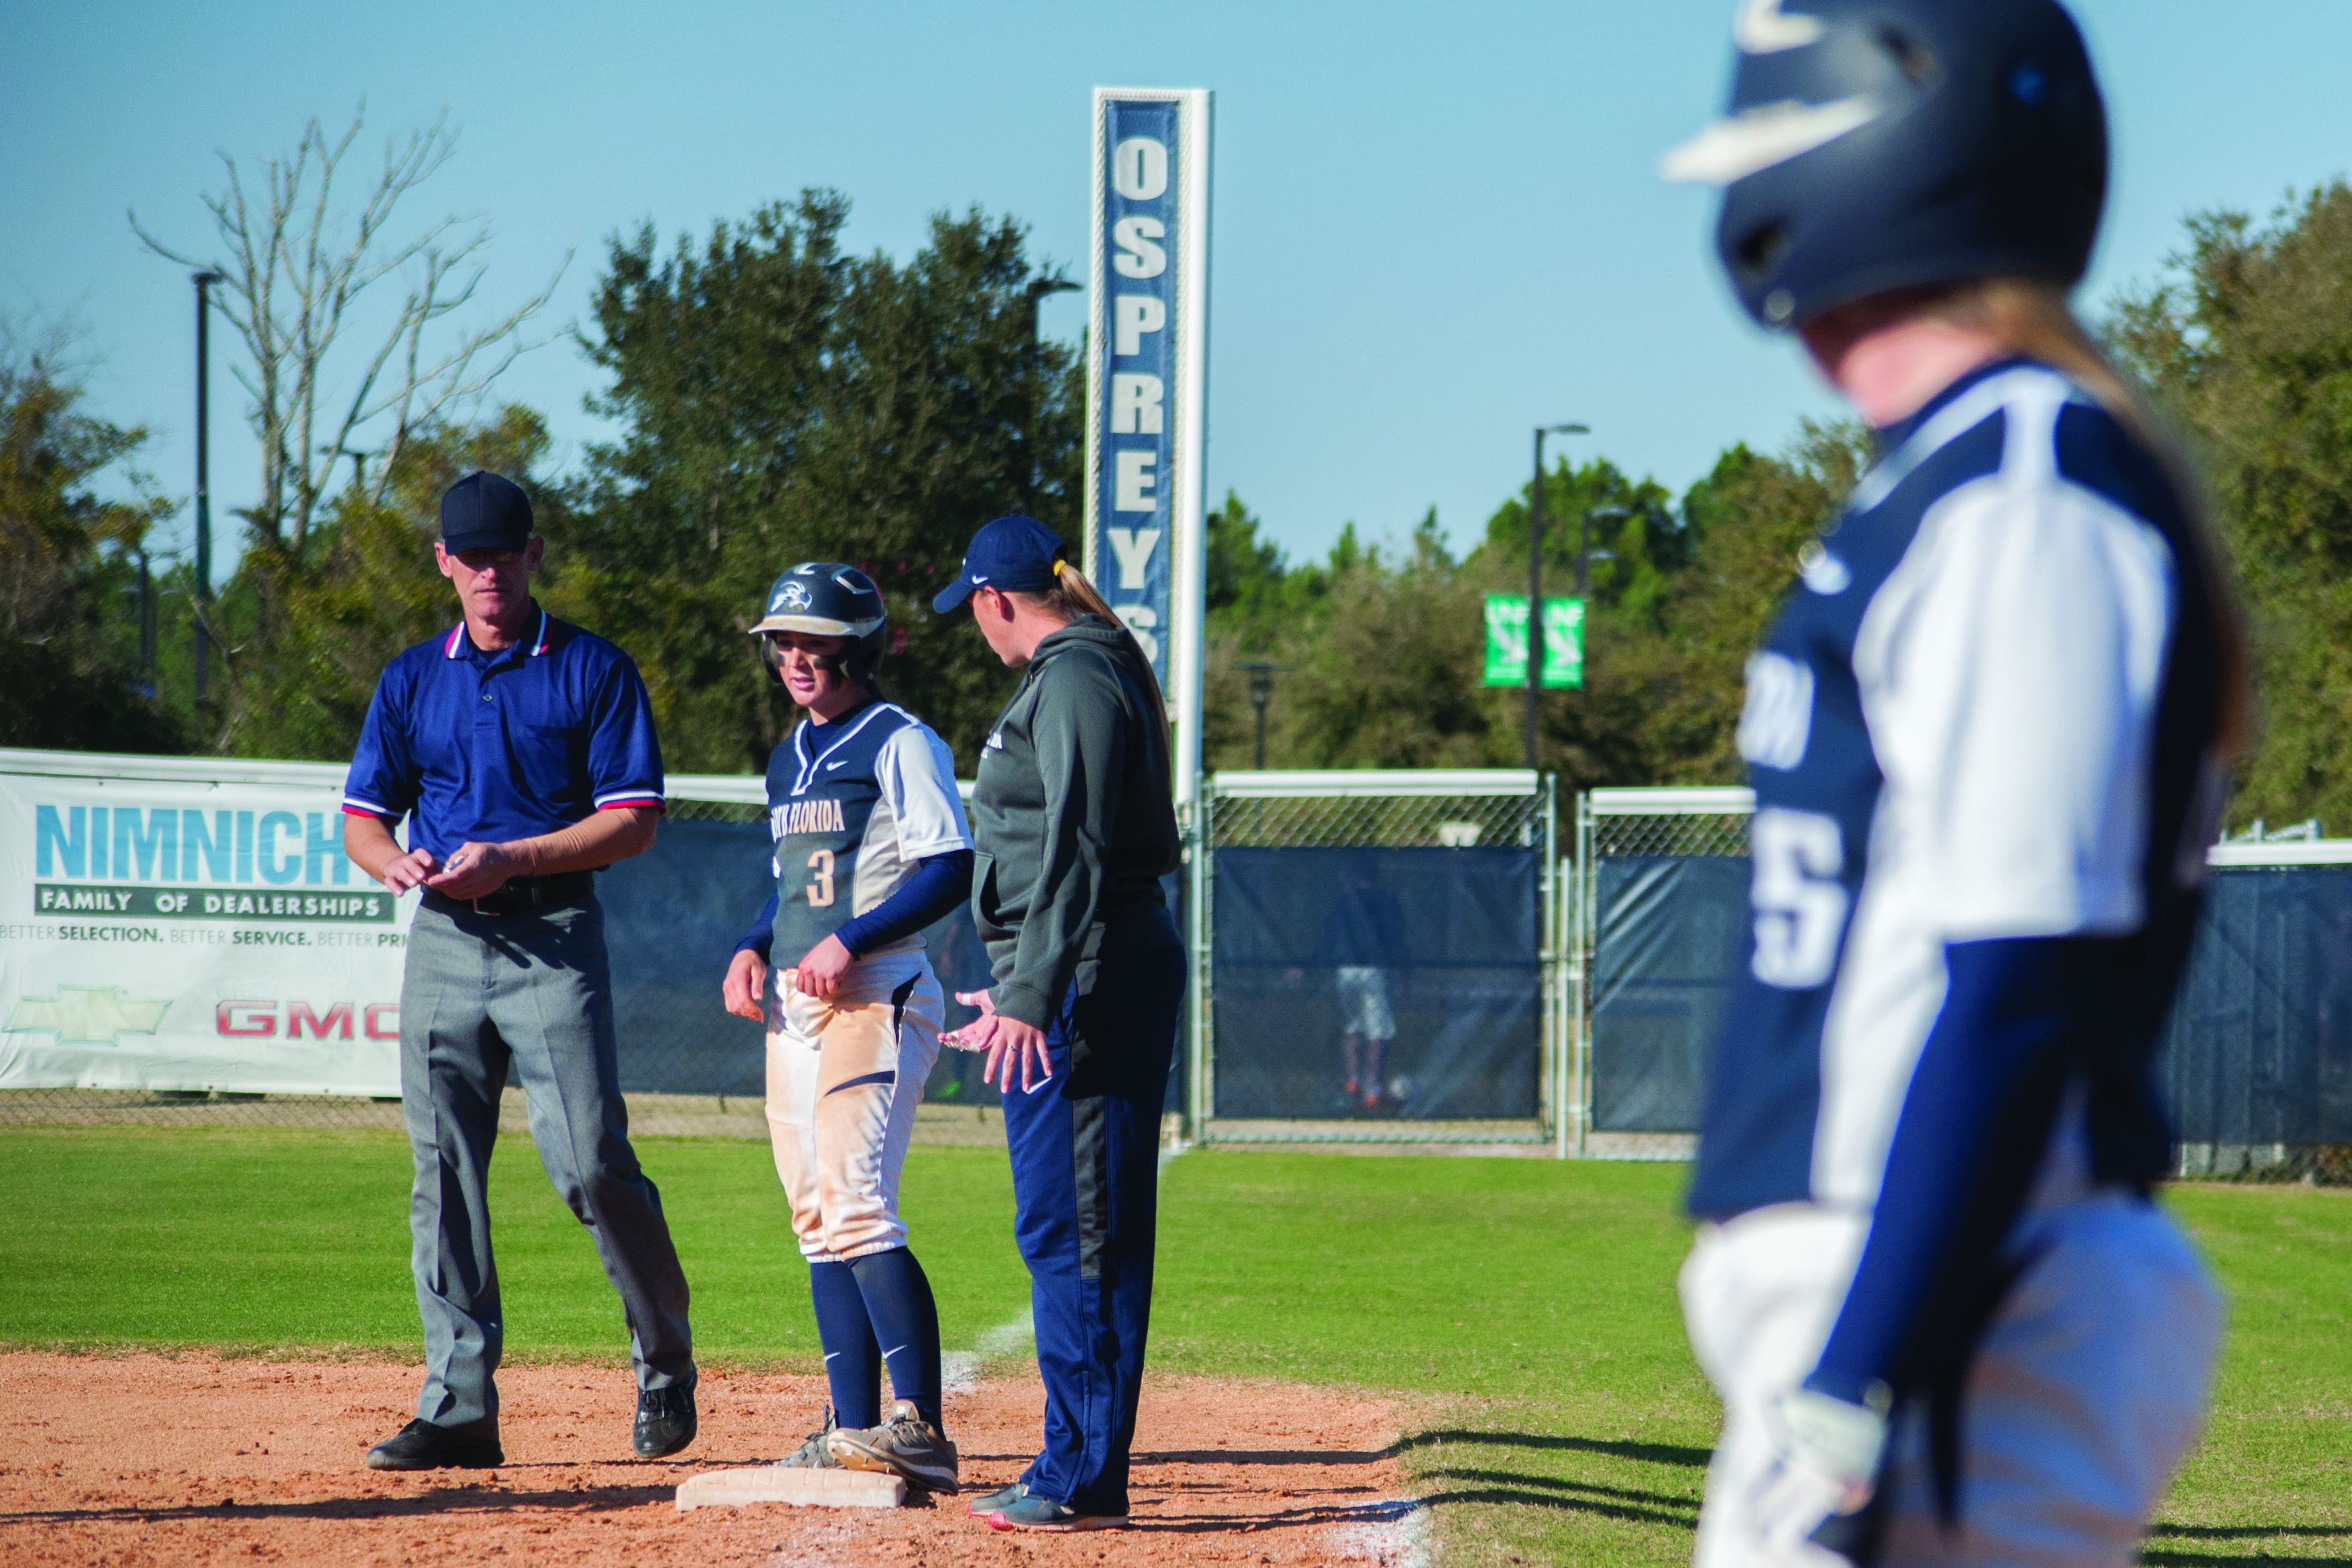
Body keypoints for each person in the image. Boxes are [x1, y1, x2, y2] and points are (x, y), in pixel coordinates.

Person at [1660, 2, 2252, 1563]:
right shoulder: (1958, 471)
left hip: (1961, 1293)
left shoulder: (2027, 486)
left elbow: (2023, 977)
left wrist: (1864, 1382)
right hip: (1921, 1285)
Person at [340, 470, 697, 1470]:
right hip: (444, 944)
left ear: (533, 555)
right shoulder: (414, 677)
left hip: (553, 941)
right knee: (443, 1176)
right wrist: (392, 861)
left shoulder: (590, 668)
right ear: (444, 561)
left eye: (506, 551)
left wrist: (517, 857)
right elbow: (363, 816)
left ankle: (664, 1359)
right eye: (471, 553)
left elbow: (632, 823)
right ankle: (458, 1407)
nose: (489, 570)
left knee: (591, 1166)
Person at [930, 514, 1185, 1533]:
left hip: (1087, 978)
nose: (976, 628)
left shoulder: (1074, 676)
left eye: (973, 610)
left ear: (996, 599)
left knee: (1079, 1232)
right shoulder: (1079, 670)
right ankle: (1083, 1465)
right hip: (1072, 971)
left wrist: (1037, 991)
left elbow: (1076, 841)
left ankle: (1076, 1474)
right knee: (1070, 1226)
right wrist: (1017, 979)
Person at [716, 562, 974, 1495]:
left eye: (815, 640)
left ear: (857, 646)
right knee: (815, 1219)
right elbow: (787, 886)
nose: (796, 656)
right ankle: (851, 1427)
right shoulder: (788, 753)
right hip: (797, 998)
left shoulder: (899, 740)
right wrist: (752, 945)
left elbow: (948, 866)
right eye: (783, 641)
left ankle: (922, 1428)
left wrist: (853, 937)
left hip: (878, 988)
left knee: (857, 1196)